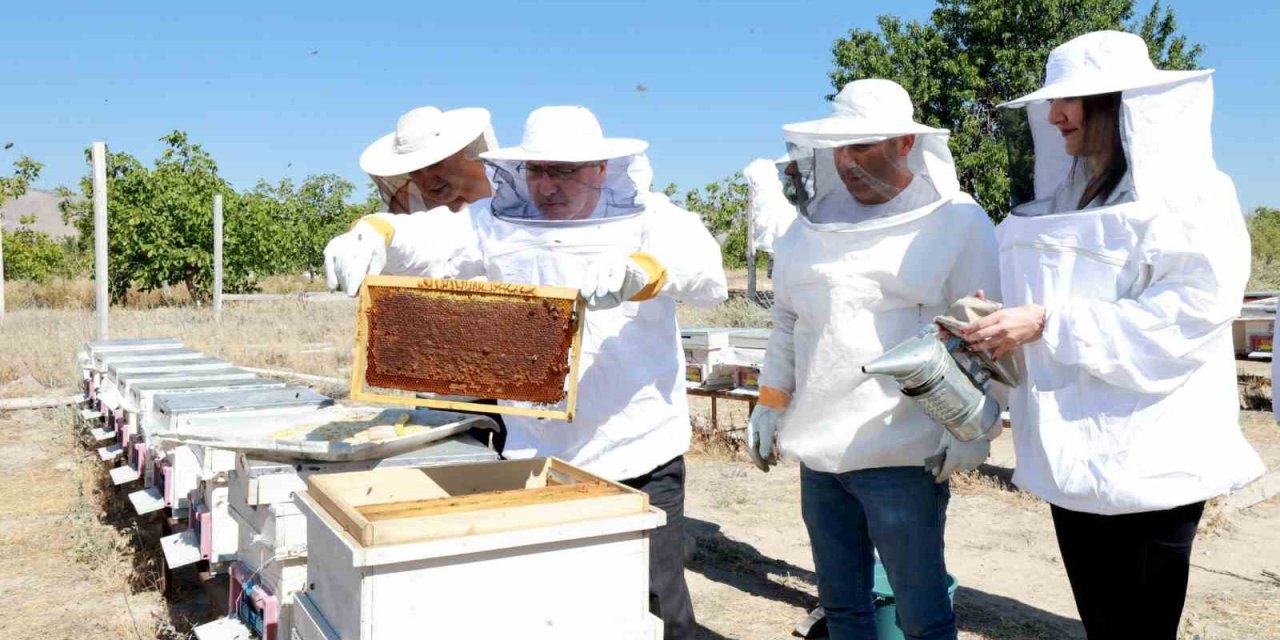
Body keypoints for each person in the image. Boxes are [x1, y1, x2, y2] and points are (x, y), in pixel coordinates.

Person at [963, 31, 1265, 639]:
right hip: (1068, 454)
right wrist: (991, 318)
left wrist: (1049, 323)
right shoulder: (1061, 198)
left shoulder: (1196, 196)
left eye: (1071, 101)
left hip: (1154, 456)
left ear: (1120, 102)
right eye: (1052, 104)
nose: (1054, 116)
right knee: (1102, 624)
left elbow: (1187, 314)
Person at [745, 79, 1002, 640]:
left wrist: (976, 427)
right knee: (842, 611)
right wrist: (769, 401)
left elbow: (984, 329)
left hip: (902, 455)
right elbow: (789, 321)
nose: (847, 162)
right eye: (840, 148)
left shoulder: (957, 221)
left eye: (862, 146)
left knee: (923, 616)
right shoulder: (804, 231)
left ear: (905, 142)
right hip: (819, 454)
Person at [466, 105, 725, 638]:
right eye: (536, 170)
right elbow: (432, 243)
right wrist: (378, 234)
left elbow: (707, 271)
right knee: (556, 604)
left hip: (638, 450)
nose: (546, 185)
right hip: (536, 454)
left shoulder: (652, 218)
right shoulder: (495, 223)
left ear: (602, 169)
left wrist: (649, 271)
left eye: (564, 171)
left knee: (658, 607)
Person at [324, 106, 495, 294]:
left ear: (458, 150)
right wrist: (375, 229)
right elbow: (400, 249)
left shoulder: (504, 189)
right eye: (416, 170)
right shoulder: (405, 201)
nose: (428, 179)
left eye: (435, 164)